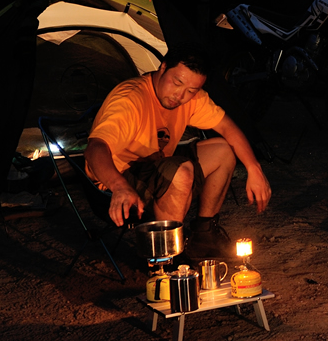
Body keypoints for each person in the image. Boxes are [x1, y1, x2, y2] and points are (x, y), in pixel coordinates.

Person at [84, 42, 271, 259]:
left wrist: (254, 168)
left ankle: (204, 235)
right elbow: (94, 149)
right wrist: (119, 186)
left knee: (224, 150)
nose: (179, 96)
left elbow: (227, 127)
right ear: (162, 68)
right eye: (177, 82)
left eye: (191, 90)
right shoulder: (131, 99)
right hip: (115, 181)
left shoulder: (193, 99)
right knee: (180, 171)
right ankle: (167, 257)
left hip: (156, 167)